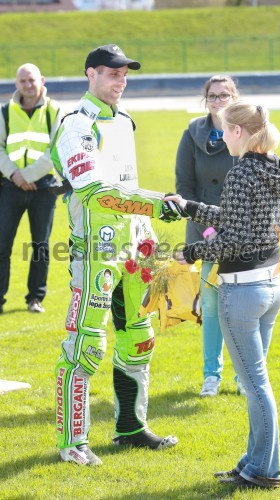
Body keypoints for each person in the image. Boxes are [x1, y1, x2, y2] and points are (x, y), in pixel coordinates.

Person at [51, 44, 181, 466]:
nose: (120, 81)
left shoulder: (124, 121)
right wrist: (154, 202)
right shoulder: (74, 124)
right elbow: (93, 192)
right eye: (112, 73)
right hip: (95, 252)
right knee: (86, 344)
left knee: (139, 339)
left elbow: (127, 181)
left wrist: (149, 232)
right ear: (90, 74)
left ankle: (130, 427)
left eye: (124, 74)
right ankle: (73, 440)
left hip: (136, 250)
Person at [165, 101, 280, 489]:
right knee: (258, 383)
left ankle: (264, 471)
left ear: (239, 132)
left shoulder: (240, 172)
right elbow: (238, 220)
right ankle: (253, 463)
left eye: (223, 131)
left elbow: (232, 239)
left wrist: (190, 252)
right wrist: (189, 207)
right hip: (270, 285)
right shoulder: (276, 166)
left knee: (255, 386)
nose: (220, 137)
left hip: (243, 291)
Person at [175, 74, 241, 398]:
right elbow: (184, 187)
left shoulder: (246, 131)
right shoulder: (192, 133)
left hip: (243, 235)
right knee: (213, 308)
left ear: (234, 97)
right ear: (206, 100)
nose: (218, 101)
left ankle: (244, 376)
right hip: (205, 233)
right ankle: (211, 376)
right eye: (212, 96)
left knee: (241, 308)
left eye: (224, 95)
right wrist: (209, 230)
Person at [0, 63, 63, 314]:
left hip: (43, 187)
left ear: (42, 80)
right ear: (16, 83)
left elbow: (55, 151)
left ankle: (35, 298)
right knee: (2, 244)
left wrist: (26, 175)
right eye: (23, 81)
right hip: (9, 186)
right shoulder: (5, 111)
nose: (27, 85)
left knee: (41, 246)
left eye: (32, 80)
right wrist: (16, 175)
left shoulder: (54, 110)